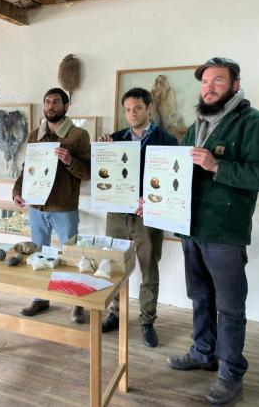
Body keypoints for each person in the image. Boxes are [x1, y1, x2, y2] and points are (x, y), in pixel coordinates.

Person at [167, 58, 259, 405]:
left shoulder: (258, 124)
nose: (209, 87)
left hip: (224, 233)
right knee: (200, 296)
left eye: (218, 80)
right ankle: (203, 352)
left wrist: (217, 165)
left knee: (230, 307)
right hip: (191, 228)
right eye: (204, 82)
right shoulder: (196, 125)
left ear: (235, 84)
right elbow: (180, 174)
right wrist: (156, 200)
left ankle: (231, 372)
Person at [98, 88, 177, 347]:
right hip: (118, 215)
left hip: (148, 217)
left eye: (137, 109)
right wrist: (102, 152)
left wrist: (153, 201)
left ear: (149, 108)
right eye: (128, 110)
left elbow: (171, 182)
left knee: (148, 270)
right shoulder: (115, 139)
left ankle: (147, 322)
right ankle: (116, 314)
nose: (132, 114)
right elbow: (103, 175)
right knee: (115, 267)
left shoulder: (167, 141)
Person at [13, 88, 90, 324]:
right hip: (37, 208)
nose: (50, 106)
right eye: (47, 102)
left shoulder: (78, 135)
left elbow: (87, 172)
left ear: (66, 106)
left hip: (64, 208)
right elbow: (28, 167)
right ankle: (40, 298)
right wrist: (17, 189)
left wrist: (69, 161)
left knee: (72, 256)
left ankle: (77, 303)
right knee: (37, 256)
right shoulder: (36, 134)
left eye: (56, 102)